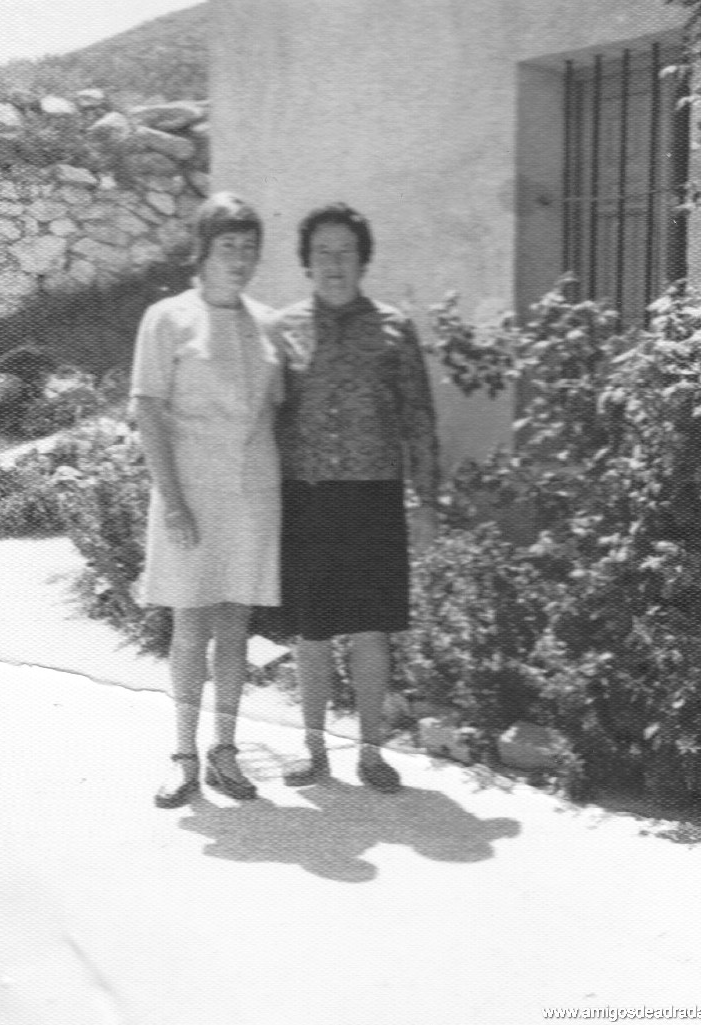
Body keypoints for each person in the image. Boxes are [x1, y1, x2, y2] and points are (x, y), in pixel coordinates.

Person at [274, 202, 439, 794]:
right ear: (307, 261)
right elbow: (268, 418)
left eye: (345, 251)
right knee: (312, 633)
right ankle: (314, 751)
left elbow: (419, 419)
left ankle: (371, 753)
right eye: (322, 251)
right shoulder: (284, 328)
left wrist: (427, 502)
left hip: (374, 497)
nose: (334, 262)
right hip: (306, 499)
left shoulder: (394, 328)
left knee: (371, 631)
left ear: (363, 259)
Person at [130, 192, 282, 807]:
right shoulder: (167, 319)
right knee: (190, 624)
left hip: (252, 496)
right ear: (203, 251)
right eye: (228, 247)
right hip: (188, 496)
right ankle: (183, 756)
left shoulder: (268, 323)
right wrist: (172, 500)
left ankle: (224, 751)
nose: (239, 260)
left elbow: (278, 414)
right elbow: (147, 410)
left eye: (249, 249)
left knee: (235, 627)